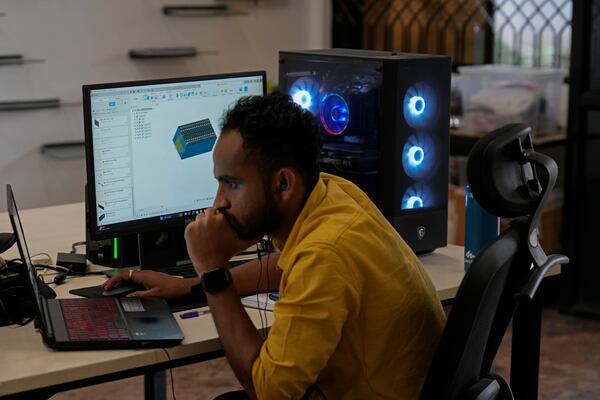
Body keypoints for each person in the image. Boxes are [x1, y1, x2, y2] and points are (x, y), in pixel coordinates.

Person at [103, 92, 446, 399]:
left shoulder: (325, 253)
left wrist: (213, 272)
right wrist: (189, 285)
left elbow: (268, 392)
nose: (218, 203)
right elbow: (288, 264)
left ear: (283, 183)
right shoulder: (333, 192)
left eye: (232, 185)